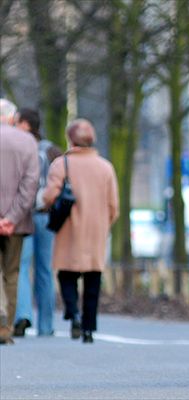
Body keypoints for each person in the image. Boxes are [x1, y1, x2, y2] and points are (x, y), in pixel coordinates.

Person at [43, 119, 119, 344]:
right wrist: (105, 224)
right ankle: (88, 328)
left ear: (70, 138)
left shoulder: (61, 164)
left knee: (66, 274)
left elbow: (49, 195)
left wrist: (46, 205)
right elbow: (113, 205)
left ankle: (73, 313)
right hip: (96, 229)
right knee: (93, 279)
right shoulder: (106, 167)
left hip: (69, 227)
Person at [13, 108, 62, 337]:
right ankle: (46, 326)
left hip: (22, 214)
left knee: (21, 266)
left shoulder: (16, 146)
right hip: (46, 215)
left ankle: (22, 315)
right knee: (44, 270)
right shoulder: (52, 150)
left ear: (24, 124)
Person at [0, 99, 40, 345]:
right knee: (12, 273)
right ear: (13, 118)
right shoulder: (27, 142)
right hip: (16, 223)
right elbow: (30, 184)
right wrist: (11, 217)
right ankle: (7, 328)